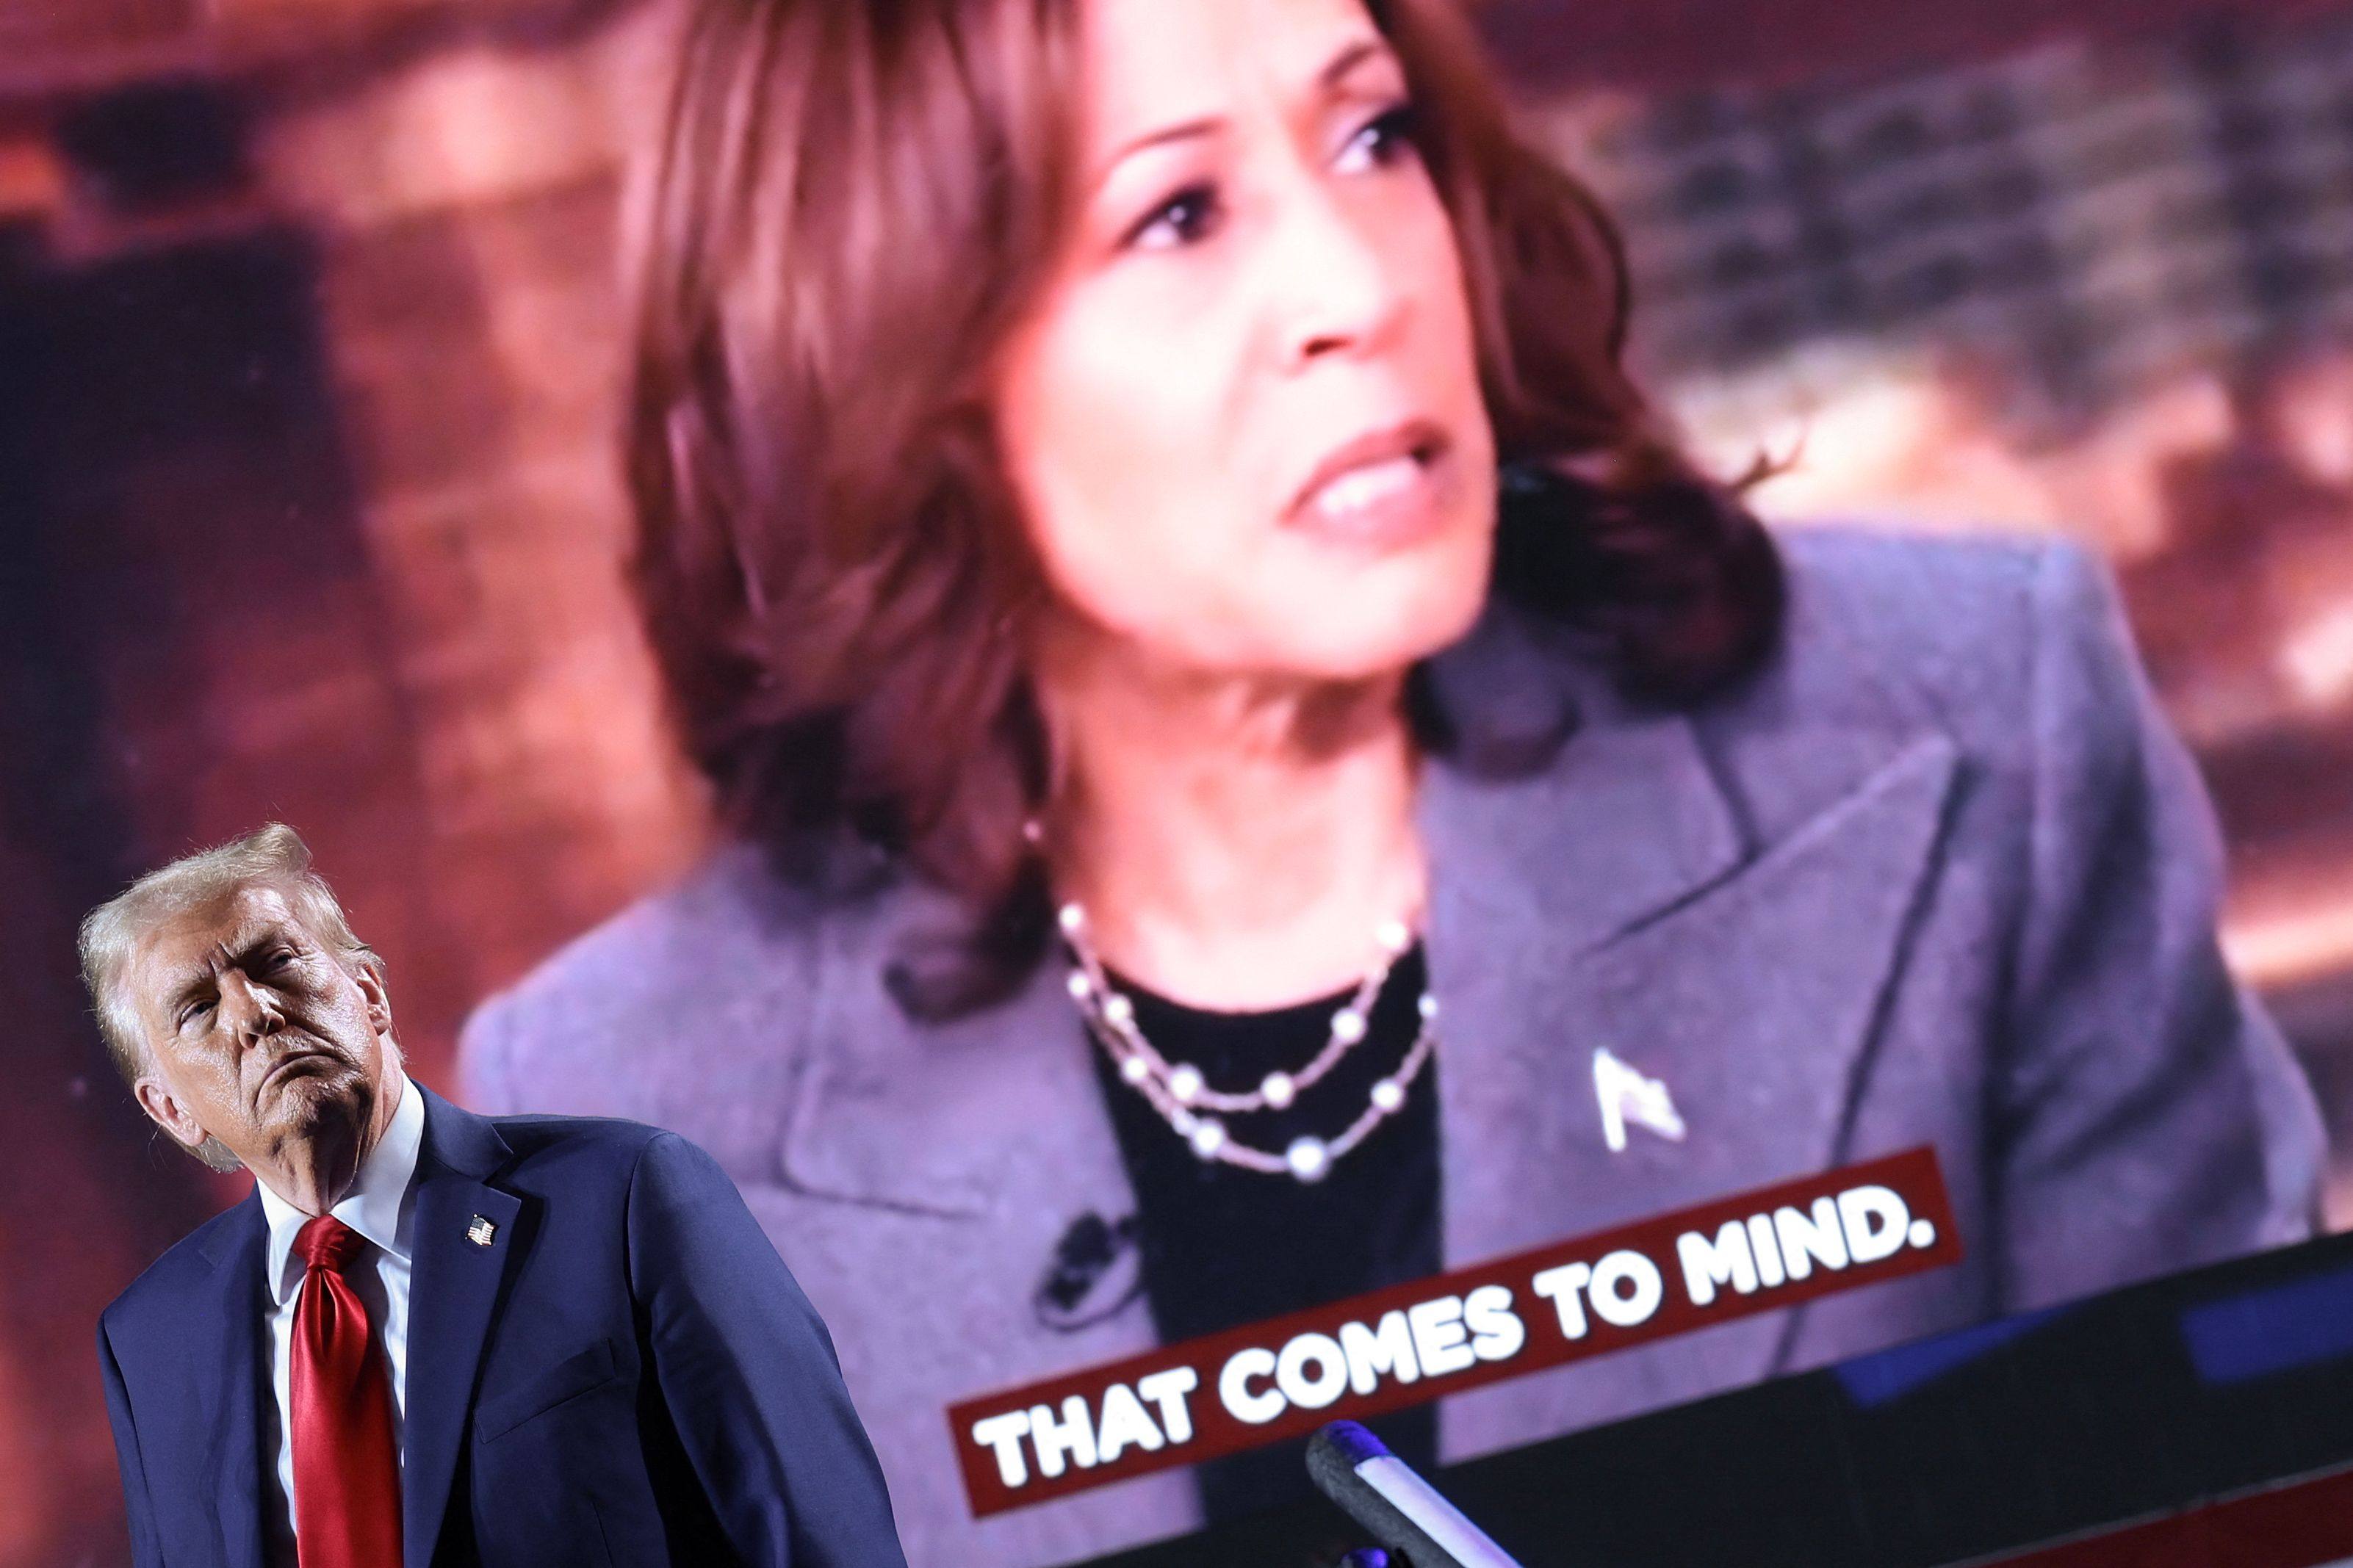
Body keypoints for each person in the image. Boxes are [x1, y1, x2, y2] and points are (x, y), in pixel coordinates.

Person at [458, 0, 2328, 1561]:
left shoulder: (1964, 731)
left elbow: (2215, 1516)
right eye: (1179, 217)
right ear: (901, 374)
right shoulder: (631, 1115)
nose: (1353, 283)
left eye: (1372, 144)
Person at [86, 824, 909, 1567]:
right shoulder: (152, 1339)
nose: (256, 1011)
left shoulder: (625, 1196)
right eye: (198, 1006)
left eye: (276, 961)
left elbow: (816, 1534)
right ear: (170, 1108)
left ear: (369, 993)